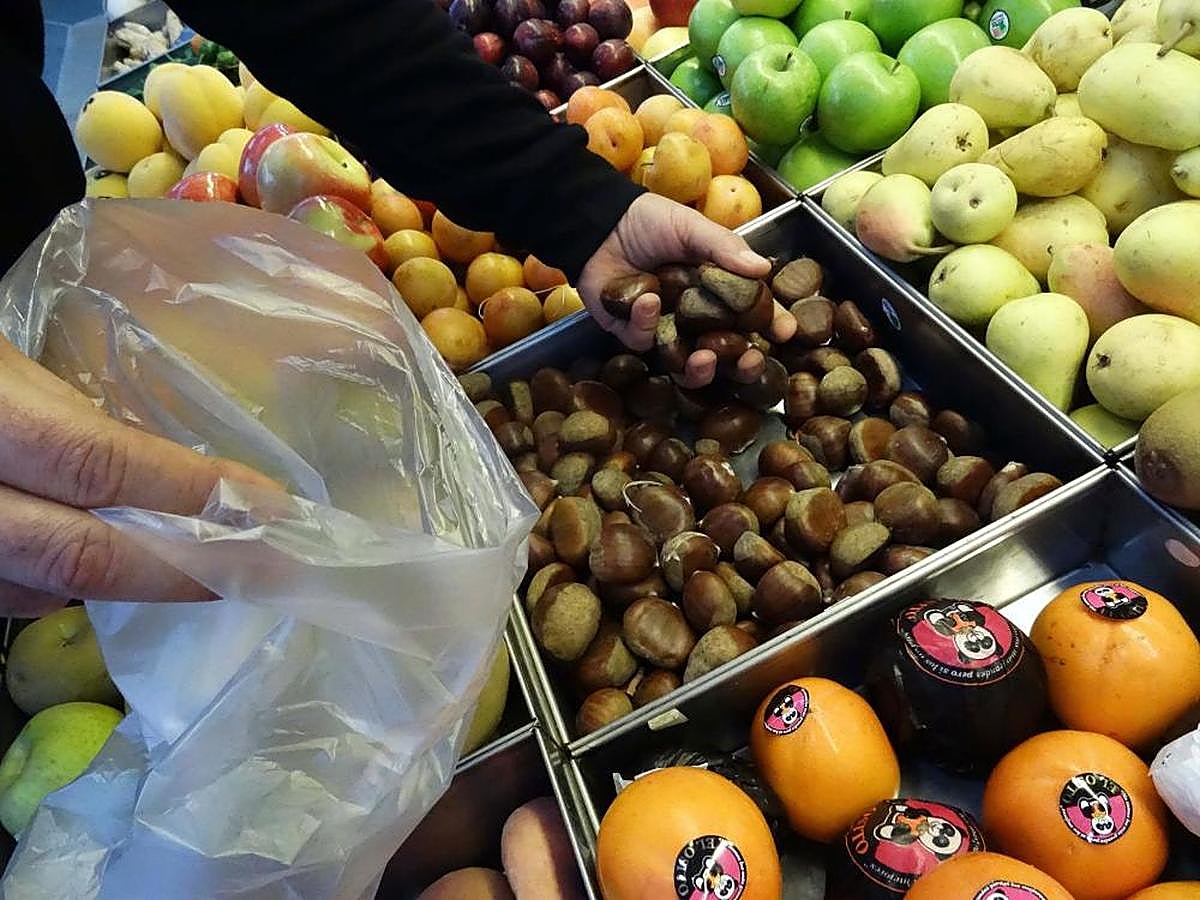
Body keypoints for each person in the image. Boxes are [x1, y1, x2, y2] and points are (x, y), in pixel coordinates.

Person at [0, 0, 795, 615]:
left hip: (49, 282)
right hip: (40, 362)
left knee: (123, 546)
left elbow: (319, 16)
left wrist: (572, 202)